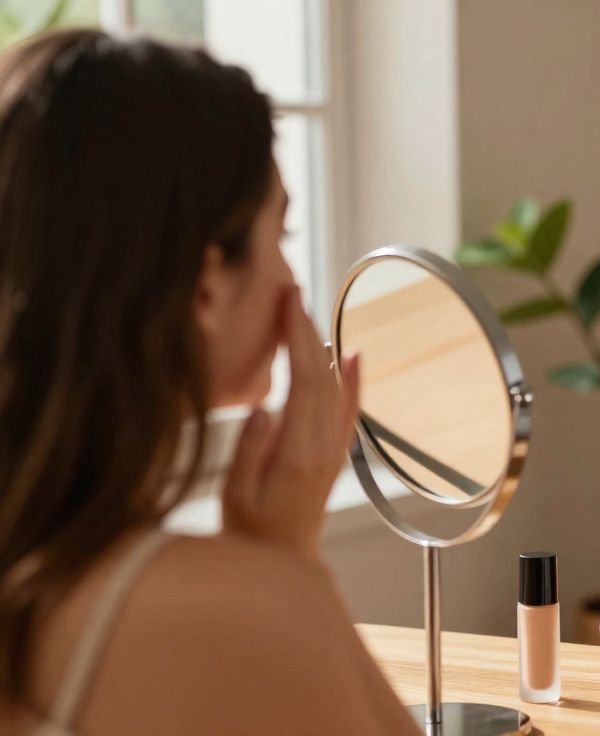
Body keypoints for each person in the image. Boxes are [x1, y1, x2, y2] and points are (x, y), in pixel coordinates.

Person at [0, 30, 417, 734]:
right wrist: (292, 566)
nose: (292, 277)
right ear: (205, 290)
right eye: (280, 236)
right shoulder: (218, 613)